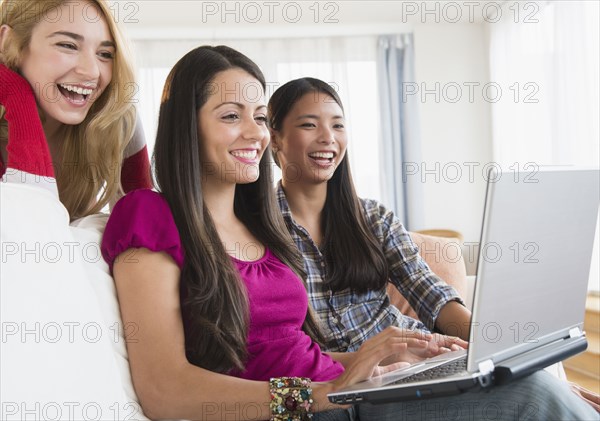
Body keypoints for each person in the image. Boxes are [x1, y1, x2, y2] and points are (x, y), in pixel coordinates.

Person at [100, 45, 597, 420]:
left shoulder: (261, 228)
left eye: (257, 117)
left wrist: (385, 358)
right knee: (531, 399)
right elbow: (164, 389)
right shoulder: (149, 216)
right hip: (325, 407)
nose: (253, 133)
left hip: (350, 392)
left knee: (532, 384)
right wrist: (318, 396)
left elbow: (290, 352)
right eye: (231, 117)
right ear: (187, 126)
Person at [268, 76, 600, 415]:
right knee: (534, 395)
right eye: (309, 125)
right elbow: (276, 353)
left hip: (417, 365)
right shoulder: (256, 232)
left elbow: (435, 299)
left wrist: (499, 352)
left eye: (338, 125)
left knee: (538, 387)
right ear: (275, 137)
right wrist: (377, 357)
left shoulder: (373, 218)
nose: (328, 138)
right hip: (354, 383)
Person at [0, 0, 152, 219]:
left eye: (105, 54)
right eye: (68, 45)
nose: (91, 72)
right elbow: (26, 225)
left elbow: (147, 229)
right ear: (7, 43)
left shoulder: (116, 119)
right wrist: (17, 96)